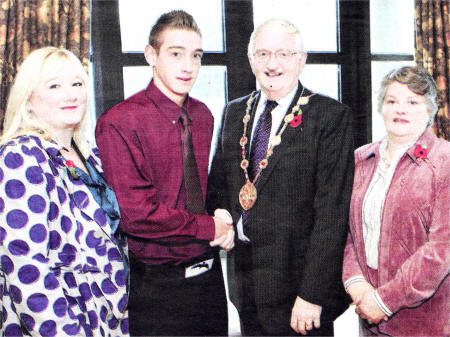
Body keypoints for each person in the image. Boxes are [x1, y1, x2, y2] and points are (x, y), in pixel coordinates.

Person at [206, 18, 354, 336]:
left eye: (284, 54)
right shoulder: (233, 112)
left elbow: (333, 216)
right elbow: (217, 186)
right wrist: (220, 211)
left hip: (299, 294)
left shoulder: (330, 117)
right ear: (251, 60)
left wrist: (312, 295)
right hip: (245, 286)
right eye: (263, 54)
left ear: (301, 60)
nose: (272, 64)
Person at [95, 10, 233, 337]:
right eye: (175, 54)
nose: (188, 66)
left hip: (210, 280)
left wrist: (220, 215)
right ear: (150, 55)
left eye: (196, 56)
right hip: (158, 287)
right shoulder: (119, 122)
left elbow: (200, 191)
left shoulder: (203, 115)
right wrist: (209, 226)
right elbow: (137, 216)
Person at [0, 47, 129, 336]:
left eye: (77, 84)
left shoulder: (89, 154)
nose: (70, 95)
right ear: (29, 100)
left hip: (106, 318)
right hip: (59, 322)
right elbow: (26, 267)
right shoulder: (19, 157)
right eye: (54, 86)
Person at [342, 66, 449, 337]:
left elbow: (441, 250)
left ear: (430, 110)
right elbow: (347, 234)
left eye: (412, 102)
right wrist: (356, 285)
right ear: (381, 107)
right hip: (368, 315)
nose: (400, 110)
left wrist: (385, 300)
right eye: (392, 101)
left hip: (427, 322)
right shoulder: (360, 160)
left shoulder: (445, 162)